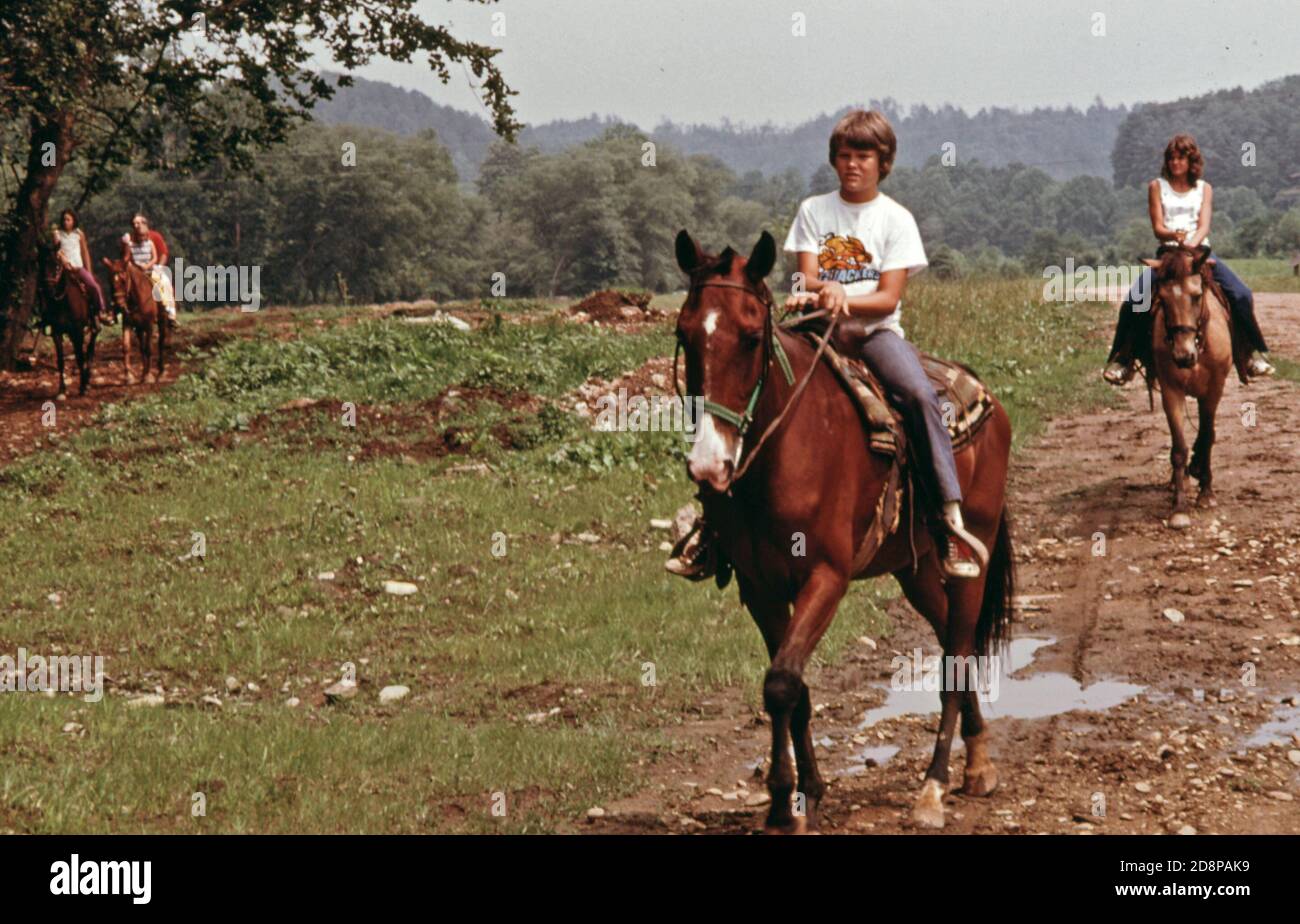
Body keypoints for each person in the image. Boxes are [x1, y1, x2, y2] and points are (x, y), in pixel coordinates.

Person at [667, 109, 988, 582]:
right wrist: (819, 292)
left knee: (919, 397)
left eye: (863, 156)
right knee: (745, 397)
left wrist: (845, 298)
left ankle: (946, 517)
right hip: (813, 330)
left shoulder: (895, 219)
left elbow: (888, 298)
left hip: (873, 336)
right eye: (844, 156)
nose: (852, 165)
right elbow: (807, 275)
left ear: (884, 162)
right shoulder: (814, 211)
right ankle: (713, 526)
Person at [1103, 133, 1273, 384]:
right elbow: (1157, 227)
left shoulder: (1204, 189)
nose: (1175, 163)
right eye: (1171, 158)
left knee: (1241, 294)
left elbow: (1204, 225)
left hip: (1199, 253)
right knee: (1133, 301)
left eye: (1181, 158)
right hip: (1169, 254)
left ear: (1191, 160)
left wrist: (1192, 245)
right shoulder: (1156, 187)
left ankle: (1249, 353)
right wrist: (1173, 235)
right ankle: (1124, 359)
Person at [52, 209, 111, 325]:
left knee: (94, 286)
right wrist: (63, 260)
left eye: (68, 219)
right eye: (64, 219)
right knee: (51, 288)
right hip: (64, 269)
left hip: (78, 268)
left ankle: (101, 312)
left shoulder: (79, 234)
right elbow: (57, 251)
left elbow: (85, 253)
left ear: (74, 221)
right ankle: (49, 316)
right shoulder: (57, 234)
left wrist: (89, 270)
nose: (65, 222)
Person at [121, 213, 178, 326]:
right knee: (120, 283)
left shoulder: (154, 237)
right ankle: (119, 309)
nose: (136, 225)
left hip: (152, 268)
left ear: (145, 223)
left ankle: (169, 311)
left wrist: (158, 266)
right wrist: (124, 243)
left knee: (164, 282)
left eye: (138, 223)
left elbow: (163, 254)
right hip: (135, 271)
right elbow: (126, 256)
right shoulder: (130, 239)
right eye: (134, 223)